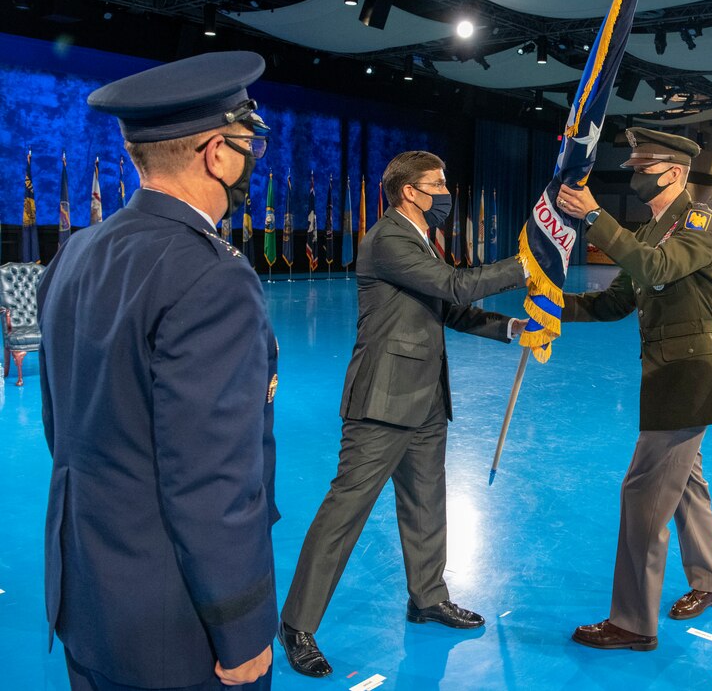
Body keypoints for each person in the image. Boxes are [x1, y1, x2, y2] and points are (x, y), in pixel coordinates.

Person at [38, 51, 279, 689]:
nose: (252, 153)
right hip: (174, 626)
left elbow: (61, 425)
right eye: (247, 139)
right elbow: (213, 480)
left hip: (88, 596)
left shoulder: (76, 251)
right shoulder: (212, 275)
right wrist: (242, 626)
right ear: (217, 153)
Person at [278, 150, 528, 677]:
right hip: (382, 402)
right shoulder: (389, 237)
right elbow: (457, 286)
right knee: (343, 513)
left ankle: (427, 597)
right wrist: (529, 264)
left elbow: (449, 307)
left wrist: (513, 330)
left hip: (425, 398)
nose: (445, 193)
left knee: (426, 505)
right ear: (409, 191)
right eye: (437, 184)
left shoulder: (419, 240)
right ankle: (297, 625)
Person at [555, 127, 712, 651]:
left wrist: (594, 217)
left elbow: (656, 268)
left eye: (643, 168)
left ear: (674, 173)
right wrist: (552, 305)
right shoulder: (653, 229)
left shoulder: (699, 222)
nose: (634, 176)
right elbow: (613, 302)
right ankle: (711, 583)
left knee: (643, 494)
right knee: (684, 488)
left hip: (686, 379)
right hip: (667, 376)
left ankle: (632, 623)